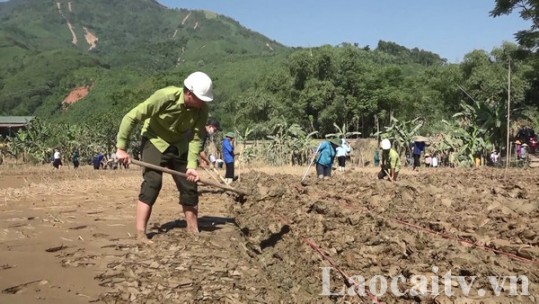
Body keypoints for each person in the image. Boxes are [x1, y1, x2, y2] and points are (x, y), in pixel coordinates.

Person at [115, 71, 214, 242]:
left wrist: (191, 165)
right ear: (189, 93)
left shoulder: (202, 109)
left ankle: (192, 228)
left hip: (179, 143)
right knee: (153, 182)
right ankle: (141, 233)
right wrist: (121, 148)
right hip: (154, 139)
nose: (203, 103)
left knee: (189, 185)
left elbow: (197, 138)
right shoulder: (164, 97)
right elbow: (132, 117)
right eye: (200, 99)